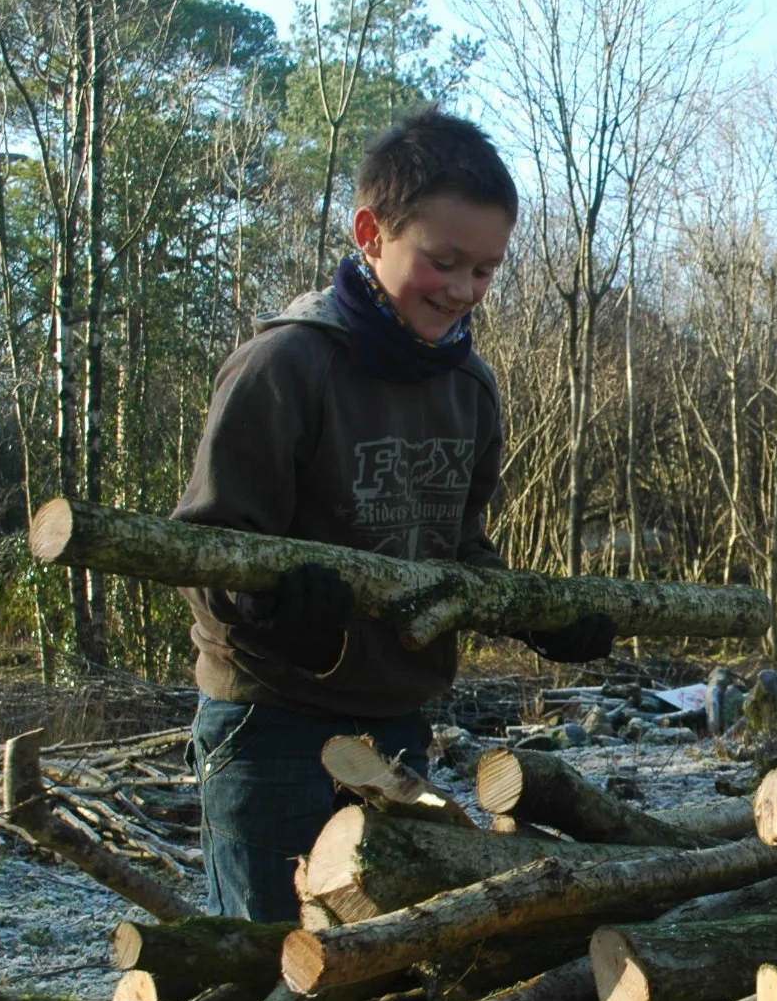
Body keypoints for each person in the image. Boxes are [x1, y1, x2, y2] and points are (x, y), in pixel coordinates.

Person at [174, 107, 613, 922]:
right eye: (443, 261)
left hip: (396, 720)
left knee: (381, 958)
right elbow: (203, 551)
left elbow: (461, 552)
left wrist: (539, 615)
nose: (462, 289)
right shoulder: (285, 366)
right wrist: (273, 613)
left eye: (484, 271)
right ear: (371, 232)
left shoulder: (469, 389)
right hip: (269, 722)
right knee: (270, 959)